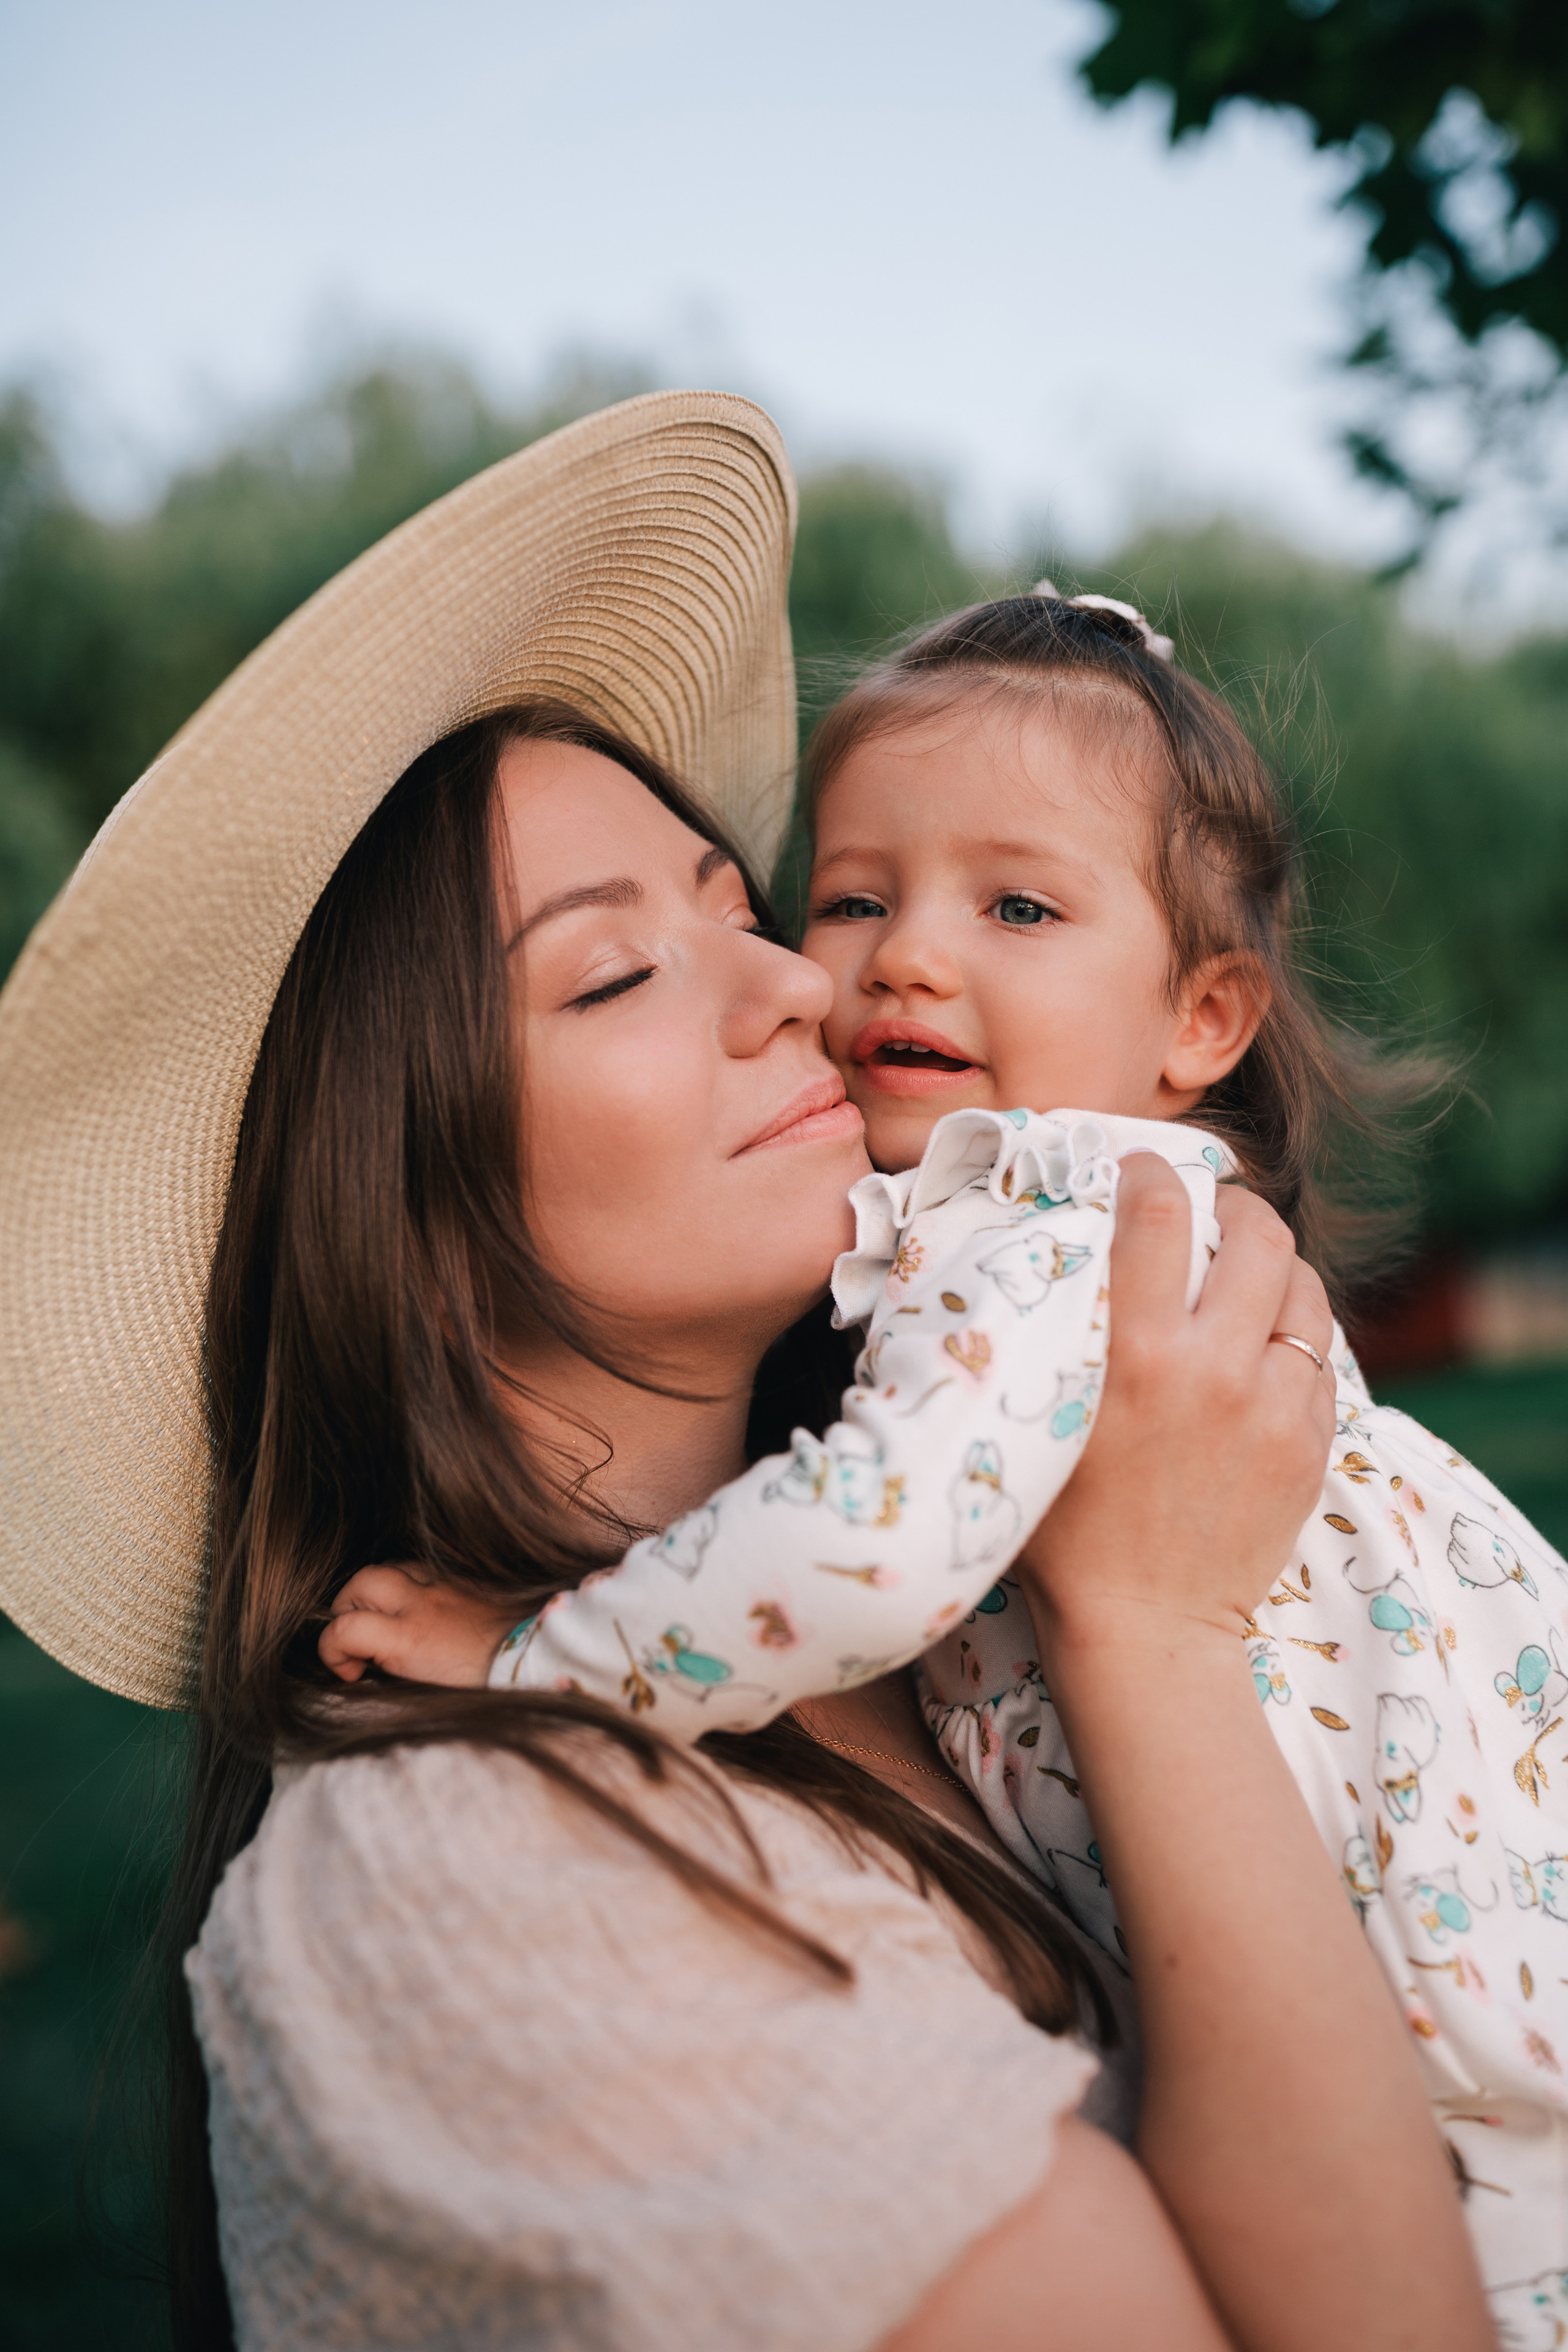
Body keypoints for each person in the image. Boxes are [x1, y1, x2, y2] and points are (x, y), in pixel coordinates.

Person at [0, 395, 1489, 2352]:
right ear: (399, 1201)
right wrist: (1149, 1631)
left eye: (743, 907)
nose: (813, 980)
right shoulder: (459, 1872)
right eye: (618, 971)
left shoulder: (944, 1606)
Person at [349, 587, 1568, 2310]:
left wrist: (543, 1657)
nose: (867, 966)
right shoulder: (429, 1885)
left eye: (1016, 904)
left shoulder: (1055, 1240)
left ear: (1202, 1025)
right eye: (848, 897)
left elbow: (871, 1543)